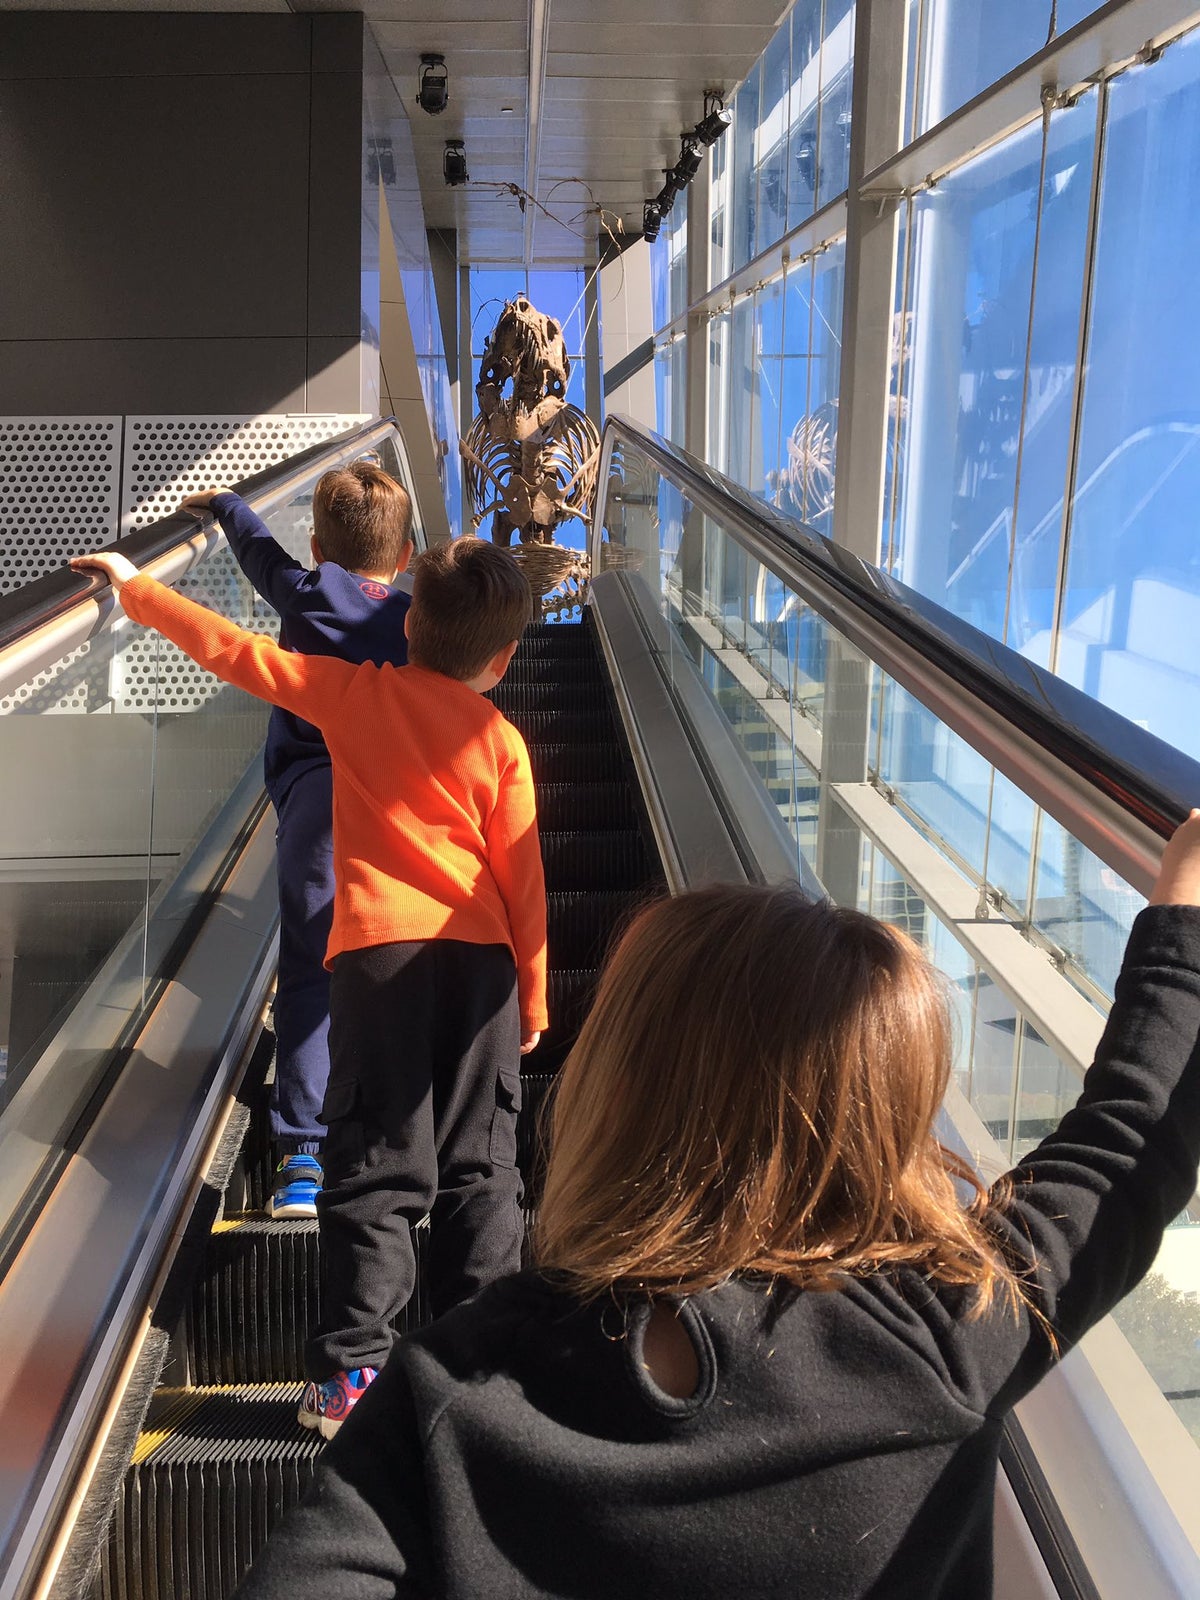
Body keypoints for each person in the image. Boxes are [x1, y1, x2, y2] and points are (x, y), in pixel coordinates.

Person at [224, 813, 1200, 1600]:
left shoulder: (460, 1386)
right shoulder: (943, 1330)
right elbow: (1132, 1138)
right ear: (886, 1122)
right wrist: (1181, 921)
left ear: (615, 1084)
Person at [71, 537, 547, 1440]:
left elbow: (237, 652)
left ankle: (355, 1371)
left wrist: (137, 592)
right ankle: (480, 1363)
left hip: (375, 959)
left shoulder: (355, 693)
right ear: (505, 658)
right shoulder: (504, 740)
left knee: (376, 1158)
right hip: (482, 960)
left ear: (408, 623)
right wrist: (534, 997)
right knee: (483, 1165)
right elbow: (523, 877)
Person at [182, 464, 415, 1220]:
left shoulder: (310, 590)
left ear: (317, 546)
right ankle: (400, 1147)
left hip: (317, 802)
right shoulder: (420, 620)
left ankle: (304, 1163)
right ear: (406, 554)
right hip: (395, 809)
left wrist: (226, 504)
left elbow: (258, 556)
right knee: (392, 967)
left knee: (310, 973)